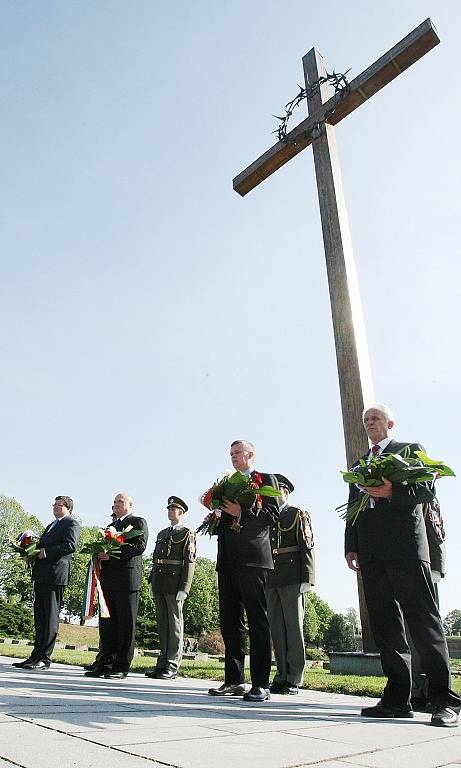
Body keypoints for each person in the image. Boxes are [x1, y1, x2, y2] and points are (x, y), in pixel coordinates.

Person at [344, 403, 461, 727]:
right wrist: (351, 545)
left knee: (423, 623)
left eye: (376, 418)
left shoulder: (410, 451)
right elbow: (355, 504)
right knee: (385, 626)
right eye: (366, 419)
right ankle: (397, 698)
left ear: (390, 423)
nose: (370, 423)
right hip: (371, 552)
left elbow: (426, 489)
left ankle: (443, 701)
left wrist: (392, 489)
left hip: (406, 547)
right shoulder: (359, 463)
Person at [207, 440, 280, 702]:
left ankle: (261, 683)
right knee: (230, 622)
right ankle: (234, 680)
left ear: (251, 454)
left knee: (257, 620)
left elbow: (272, 515)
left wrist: (242, 511)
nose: (233, 457)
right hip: (227, 560)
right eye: (231, 454)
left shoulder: (265, 479)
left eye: (237, 453)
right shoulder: (227, 484)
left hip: (254, 560)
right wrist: (216, 515)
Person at [84, 492, 148, 679]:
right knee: (107, 624)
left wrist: (113, 554)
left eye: (120, 502)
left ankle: (121, 666)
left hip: (127, 580)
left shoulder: (138, 522)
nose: (116, 505)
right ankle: (105, 663)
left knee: (125, 625)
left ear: (131, 504)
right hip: (108, 581)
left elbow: (139, 546)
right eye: (114, 502)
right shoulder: (110, 527)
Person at [13, 496, 80, 671]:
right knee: (40, 616)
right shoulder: (52, 525)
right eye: (54, 505)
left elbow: (70, 546)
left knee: (50, 616)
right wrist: (31, 551)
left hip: (55, 575)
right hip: (41, 575)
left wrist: (45, 552)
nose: (56, 507)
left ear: (68, 508)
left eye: (60, 505)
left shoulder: (71, 523)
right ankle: (35, 655)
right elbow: (41, 546)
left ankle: (44, 658)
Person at [266, 474, 315, 695]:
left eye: (278, 491)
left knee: (294, 628)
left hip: (293, 575)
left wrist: (308, 577)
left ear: (285, 492)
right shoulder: (267, 515)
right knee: (276, 627)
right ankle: (281, 675)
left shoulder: (297, 514)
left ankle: (294, 677)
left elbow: (307, 545)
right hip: (271, 577)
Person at [145, 496, 196, 680]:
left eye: (173, 509)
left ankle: (172, 665)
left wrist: (185, 587)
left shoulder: (187, 533)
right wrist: (151, 581)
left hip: (175, 583)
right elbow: (155, 560)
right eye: (169, 509)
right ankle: (162, 662)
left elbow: (189, 562)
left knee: (175, 625)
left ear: (181, 513)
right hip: (159, 581)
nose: (170, 512)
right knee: (163, 624)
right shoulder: (161, 534)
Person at [410, 499, 446, 711]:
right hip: (404, 568)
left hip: (426, 567)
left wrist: (437, 566)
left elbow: (435, 528)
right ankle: (417, 691)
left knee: (429, 631)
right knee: (410, 634)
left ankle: (435, 690)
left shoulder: (420, 488)